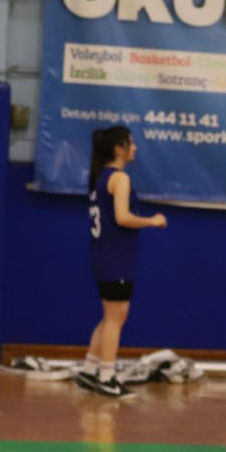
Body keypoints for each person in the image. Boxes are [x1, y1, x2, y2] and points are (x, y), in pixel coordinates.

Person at [78, 126, 167, 399]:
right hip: (115, 258)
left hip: (105, 256)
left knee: (111, 317)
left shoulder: (101, 178)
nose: (135, 147)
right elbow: (122, 217)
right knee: (116, 318)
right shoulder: (119, 178)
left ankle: (89, 370)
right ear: (119, 149)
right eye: (131, 143)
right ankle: (107, 378)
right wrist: (152, 221)